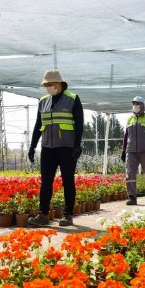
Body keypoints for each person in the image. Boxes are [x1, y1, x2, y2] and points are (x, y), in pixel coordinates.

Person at [27, 70, 84, 227]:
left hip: (67, 148)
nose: (47, 87)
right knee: (46, 182)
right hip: (48, 148)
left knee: (68, 181)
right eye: (45, 85)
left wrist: (77, 145)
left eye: (50, 84)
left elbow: (79, 124)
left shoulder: (72, 99)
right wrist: (32, 146)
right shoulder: (43, 101)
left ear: (59, 83)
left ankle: (67, 215)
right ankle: (43, 214)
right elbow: (39, 125)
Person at [121, 96, 145, 205]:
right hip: (131, 151)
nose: (135, 106)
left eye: (137, 104)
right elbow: (126, 136)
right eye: (134, 104)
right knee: (130, 174)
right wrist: (123, 150)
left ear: (142, 106)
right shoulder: (129, 119)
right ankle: (132, 197)